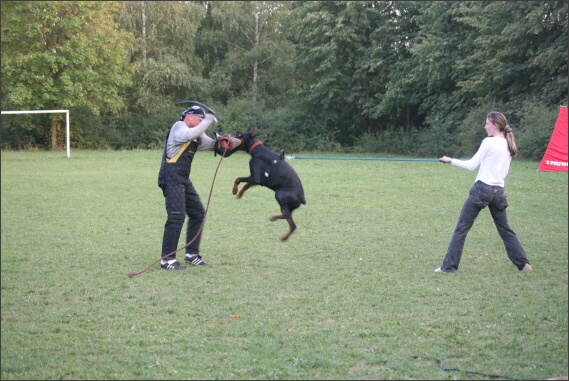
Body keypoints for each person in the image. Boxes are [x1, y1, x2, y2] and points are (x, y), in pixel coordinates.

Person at [435, 111, 532, 273]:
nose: (485, 126)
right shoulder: (508, 144)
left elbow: (471, 165)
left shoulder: (489, 142)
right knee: (505, 229)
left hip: (482, 190)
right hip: (499, 192)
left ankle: (448, 267)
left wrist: (450, 160)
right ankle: (523, 264)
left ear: (495, 125)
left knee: (461, 229)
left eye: (487, 123)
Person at [157, 105, 239, 270]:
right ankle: (167, 260)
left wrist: (225, 144)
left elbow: (212, 145)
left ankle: (191, 254)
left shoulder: (197, 135)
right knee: (176, 217)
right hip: (170, 177)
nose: (202, 123)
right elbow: (189, 134)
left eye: (203, 121)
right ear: (190, 116)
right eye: (200, 120)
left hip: (183, 178)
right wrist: (209, 119)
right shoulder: (179, 127)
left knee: (198, 214)